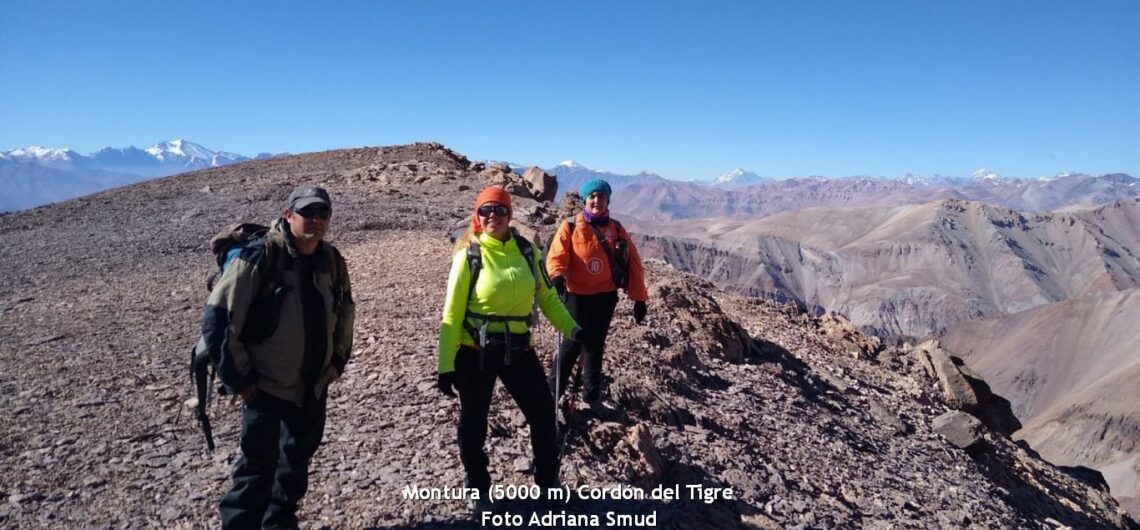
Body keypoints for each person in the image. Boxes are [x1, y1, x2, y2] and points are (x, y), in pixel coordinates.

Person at [201, 184, 355, 530]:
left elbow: (345, 310)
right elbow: (219, 318)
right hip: (266, 385)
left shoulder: (331, 259)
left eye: (322, 213)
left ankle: (279, 524)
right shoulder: (260, 257)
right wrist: (240, 379)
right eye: (307, 213)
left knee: (294, 466)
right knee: (256, 470)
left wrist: (338, 360)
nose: (315, 220)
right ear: (289, 215)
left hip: (313, 384)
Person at [437, 186, 584, 508]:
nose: (493, 216)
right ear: (477, 215)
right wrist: (445, 365)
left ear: (510, 214)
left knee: (544, 416)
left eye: (500, 210)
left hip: (520, 350)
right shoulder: (469, 255)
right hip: (474, 351)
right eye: (486, 210)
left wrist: (572, 330)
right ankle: (477, 486)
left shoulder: (528, 251)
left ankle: (547, 482)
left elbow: (546, 298)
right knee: (474, 422)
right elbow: (451, 314)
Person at [545, 179, 648, 413]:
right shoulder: (570, 226)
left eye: (601, 197)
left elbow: (634, 264)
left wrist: (639, 298)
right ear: (585, 200)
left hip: (605, 296)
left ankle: (591, 396)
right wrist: (557, 277)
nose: (596, 201)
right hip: (575, 295)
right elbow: (556, 256)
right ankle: (552, 393)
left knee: (595, 345)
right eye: (592, 196)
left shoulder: (617, 229)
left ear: (607, 200)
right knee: (571, 344)